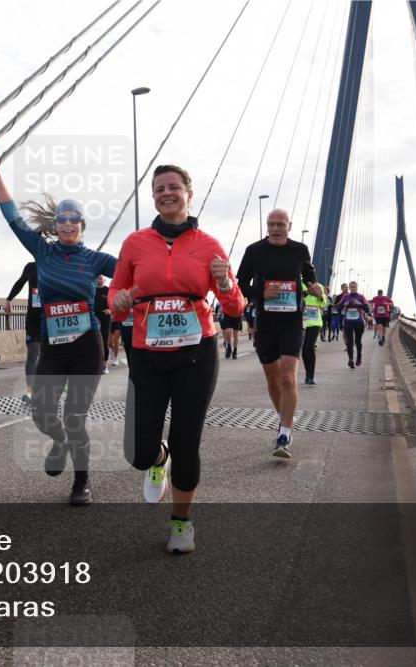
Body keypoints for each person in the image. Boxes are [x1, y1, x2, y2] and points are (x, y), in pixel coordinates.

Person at [110, 164, 244, 554]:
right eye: (158, 189)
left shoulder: (209, 245)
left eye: (173, 187)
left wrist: (224, 283)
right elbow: (117, 294)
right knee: (137, 451)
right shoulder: (136, 243)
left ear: (189, 192)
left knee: (188, 442)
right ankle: (158, 457)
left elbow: (235, 305)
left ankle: (181, 523)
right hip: (147, 354)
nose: (165, 193)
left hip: (196, 353)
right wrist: (117, 301)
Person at [0, 139, 116, 506]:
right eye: (62, 219)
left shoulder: (95, 259)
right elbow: (11, 215)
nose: (68, 224)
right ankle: (58, 442)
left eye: (74, 219)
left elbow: (136, 270)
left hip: (87, 345)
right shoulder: (42, 250)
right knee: (42, 413)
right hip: (53, 347)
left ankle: (81, 482)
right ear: (55, 225)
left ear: (83, 225)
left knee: (75, 416)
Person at [236, 208, 322, 459]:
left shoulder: (300, 249)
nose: (275, 228)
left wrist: (314, 285)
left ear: (289, 226)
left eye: (280, 224)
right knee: (273, 381)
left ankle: (284, 432)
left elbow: (308, 275)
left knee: (287, 377)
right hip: (266, 322)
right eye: (271, 224)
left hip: (293, 321)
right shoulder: (254, 250)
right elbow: (241, 284)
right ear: (267, 225)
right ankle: (285, 416)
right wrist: (261, 292)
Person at [4, 261, 41, 402]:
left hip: (51, 318)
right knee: (32, 354)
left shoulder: (56, 264)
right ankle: (30, 392)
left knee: (50, 357)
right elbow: (20, 282)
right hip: (33, 318)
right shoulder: (31, 267)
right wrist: (9, 299)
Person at [301, 280, 329, 385]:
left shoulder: (318, 285)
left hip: (314, 322)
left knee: (310, 347)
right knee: (304, 349)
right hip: (302, 321)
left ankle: (311, 376)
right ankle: (307, 373)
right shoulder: (298, 284)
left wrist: (320, 297)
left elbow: (324, 302)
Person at [339, 281, 370, 369]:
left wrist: (359, 304)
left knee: (358, 341)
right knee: (349, 341)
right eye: (351, 287)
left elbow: (367, 309)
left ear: (357, 287)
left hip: (359, 322)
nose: (353, 288)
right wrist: (345, 304)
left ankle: (359, 356)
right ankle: (351, 360)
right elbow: (338, 307)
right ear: (349, 288)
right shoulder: (345, 297)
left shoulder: (361, 297)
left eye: (355, 287)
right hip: (348, 321)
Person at [95, 275, 112, 374]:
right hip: (94, 319)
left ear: (104, 280)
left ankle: (105, 365)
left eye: (100, 278)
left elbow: (113, 304)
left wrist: (110, 310)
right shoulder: (92, 290)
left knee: (104, 340)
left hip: (105, 318)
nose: (99, 280)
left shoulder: (108, 290)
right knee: (94, 342)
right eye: (97, 278)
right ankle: (96, 364)